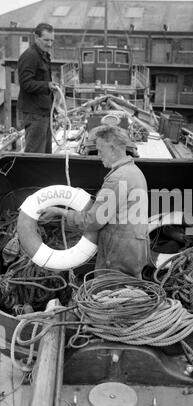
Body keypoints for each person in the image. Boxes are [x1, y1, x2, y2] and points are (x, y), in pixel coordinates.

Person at [39, 124, 149, 278]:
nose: (99, 155)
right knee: (128, 295)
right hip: (135, 249)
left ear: (112, 148)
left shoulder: (117, 179)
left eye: (100, 150)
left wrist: (59, 211)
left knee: (107, 296)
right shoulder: (135, 172)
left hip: (117, 255)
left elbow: (93, 221)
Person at [17, 23, 57, 153]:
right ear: (36, 37)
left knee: (45, 155)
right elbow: (26, 83)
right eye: (46, 40)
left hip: (44, 112)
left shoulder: (43, 55)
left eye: (52, 40)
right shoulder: (30, 56)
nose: (49, 44)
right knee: (35, 154)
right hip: (35, 114)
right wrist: (47, 85)